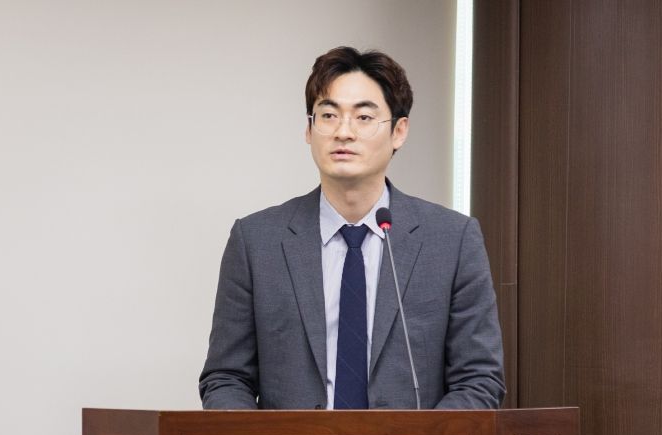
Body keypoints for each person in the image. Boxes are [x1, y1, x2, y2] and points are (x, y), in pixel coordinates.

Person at [199, 46, 505, 410]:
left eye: (363, 117)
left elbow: (479, 379)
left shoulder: (452, 241)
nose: (343, 132)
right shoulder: (256, 242)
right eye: (328, 115)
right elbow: (226, 378)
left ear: (399, 131)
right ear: (309, 130)